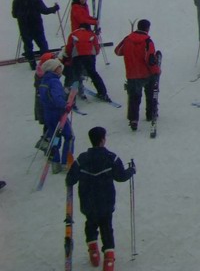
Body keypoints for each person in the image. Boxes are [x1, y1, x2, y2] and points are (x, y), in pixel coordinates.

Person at [66, 126, 135, 271]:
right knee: (106, 228)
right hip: (106, 202)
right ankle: (108, 260)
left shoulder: (82, 159)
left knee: (90, 224)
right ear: (103, 140)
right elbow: (120, 176)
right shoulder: (111, 157)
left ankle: (93, 252)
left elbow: (70, 180)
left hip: (88, 202)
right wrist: (131, 170)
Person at [114, 20, 160, 132]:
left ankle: (133, 119)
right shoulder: (148, 41)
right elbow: (150, 60)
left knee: (134, 97)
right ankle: (151, 113)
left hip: (132, 73)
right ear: (147, 28)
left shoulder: (128, 39)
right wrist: (156, 70)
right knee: (151, 93)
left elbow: (118, 51)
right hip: (146, 73)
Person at [11, 0, 59, 68]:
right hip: (36, 25)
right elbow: (45, 11)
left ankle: (32, 62)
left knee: (28, 44)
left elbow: (14, 15)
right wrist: (55, 8)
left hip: (24, 27)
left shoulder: (16, 0)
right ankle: (46, 61)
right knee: (42, 43)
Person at [64, 21, 110, 101]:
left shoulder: (73, 34)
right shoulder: (92, 34)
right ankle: (103, 93)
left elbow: (69, 48)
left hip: (77, 56)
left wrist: (69, 57)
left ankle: (72, 98)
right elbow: (97, 48)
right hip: (90, 56)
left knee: (76, 75)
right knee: (93, 73)